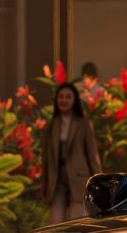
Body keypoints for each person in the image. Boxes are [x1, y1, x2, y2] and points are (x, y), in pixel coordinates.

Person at [43, 82, 101, 223]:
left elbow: (92, 155)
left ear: (74, 100)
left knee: (76, 221)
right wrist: (44, 183)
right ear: (56, 100)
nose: (64, 100)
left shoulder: (84, 124)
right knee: (55, 222)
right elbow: (45, 158)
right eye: (61, 97)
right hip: (57, 180)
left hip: (79, 178)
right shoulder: (51, 126)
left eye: (68, 97)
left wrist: (99, 181)